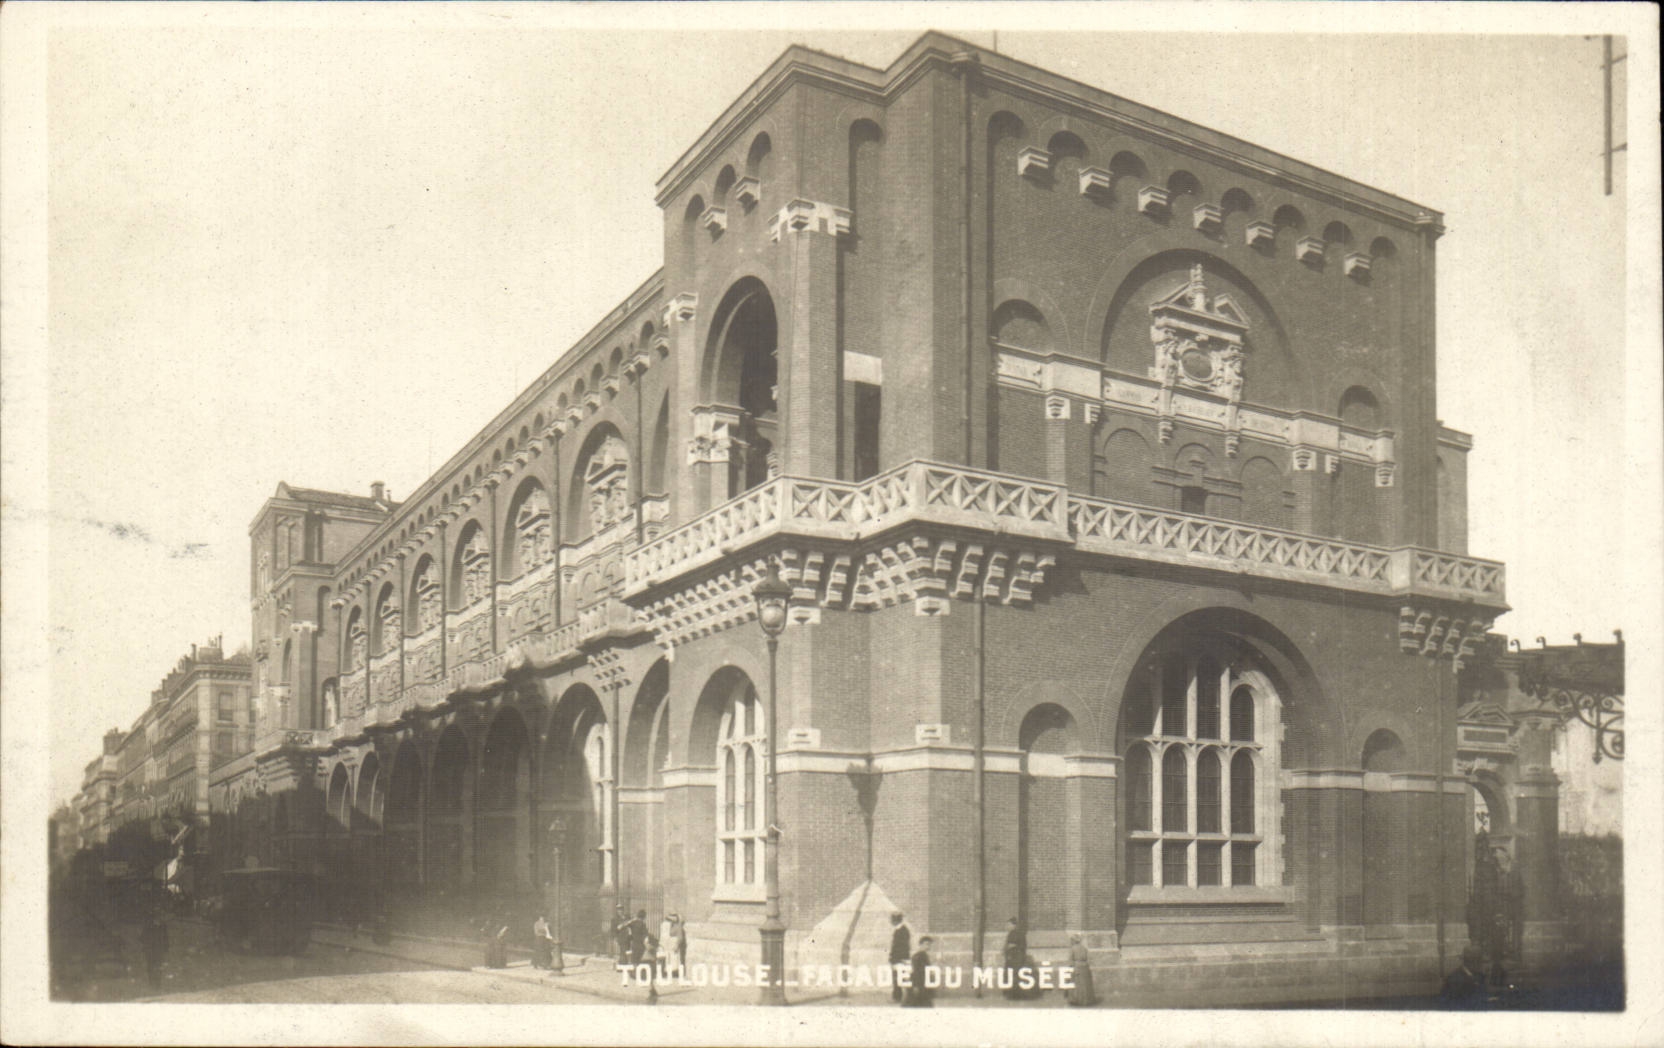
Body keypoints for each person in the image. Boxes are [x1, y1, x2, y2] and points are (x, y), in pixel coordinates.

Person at [1440, 944, 1488, 1009]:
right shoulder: (1454, 978)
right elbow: (1449, 1003)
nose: (1481, 965)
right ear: (1472, 962)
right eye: (1480, 962)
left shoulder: (1480, 976)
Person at [1065, 934, 1097, 1007]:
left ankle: (1076, 1000)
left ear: (1073, 941)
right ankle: (1087, 1000)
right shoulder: (1084, 948)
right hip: (1085, 968)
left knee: (1077, 984)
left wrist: (1070, 966)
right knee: (1085, 984)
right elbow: (1088, 959)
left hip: (1077, 967)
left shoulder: (1072, 949)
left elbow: (1070, 960)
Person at [903, 935, 935, 1007]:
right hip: (919, 985)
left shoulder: (924, 956)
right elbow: (916, 972)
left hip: (923, 985)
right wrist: (916, 986)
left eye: (929, 945)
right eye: (926, 944)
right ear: (920, 945)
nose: (928, 946)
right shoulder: (918, 956)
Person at [139, 913, 169, 990]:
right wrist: (146, 945)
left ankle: (158, 983)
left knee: (158, 966)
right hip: (150, 950)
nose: (158, 920)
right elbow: (142, 938)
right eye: (157, 918)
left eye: (160, 918)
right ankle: (152, 982)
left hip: (159, 950)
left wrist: (166, 948)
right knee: (151, 966)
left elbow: (165, 938)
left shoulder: (163, 926)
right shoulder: (148, 926)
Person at [888, 911, 912, 1003]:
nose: (891, 921)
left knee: (901, 978)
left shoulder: (902, 931)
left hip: (900, 959)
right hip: (898, 959)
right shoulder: (900, 930)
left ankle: (899, 997)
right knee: (899, 978)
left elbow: (903, 946)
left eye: (892, 919)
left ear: (896, 920)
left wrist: (899, 959)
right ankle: (898, 997)